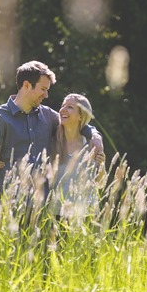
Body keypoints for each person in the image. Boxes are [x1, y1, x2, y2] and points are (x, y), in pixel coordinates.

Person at [0, 60, 104, 205]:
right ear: (26, 85)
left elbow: (75, 122)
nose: (46, 95)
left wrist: (95, 135)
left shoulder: (47, 115)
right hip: (7, 203)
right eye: (43, 89)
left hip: (39, 208)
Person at [49, 93, 106, 223]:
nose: (63, 109)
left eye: (70, 107)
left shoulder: (91, 145)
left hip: (86, 215)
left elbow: (100, 184)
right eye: (63, 106)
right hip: (56, 215)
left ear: (81, 116)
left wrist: (102, 165)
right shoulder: (52, 143)